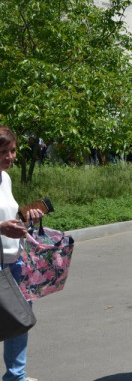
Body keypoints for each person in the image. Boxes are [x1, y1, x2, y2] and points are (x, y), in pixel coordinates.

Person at [0, 126, 44, 381]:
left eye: (13, 150)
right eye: (3, 151)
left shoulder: (5, 178)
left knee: (18, 322)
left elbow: (9, 215)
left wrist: (26, 216)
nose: (10, 156)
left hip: (14, 260)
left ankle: (16, 377)